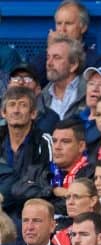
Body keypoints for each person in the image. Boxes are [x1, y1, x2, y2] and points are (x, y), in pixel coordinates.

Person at [0, 86, 53, 214]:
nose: (16, 110)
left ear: (33, 113)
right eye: (12, 105)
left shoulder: (44, 142)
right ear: (3, 113)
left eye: (22, 105)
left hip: (32, 210)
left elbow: (44, 183)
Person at [30, 0, 101, 88]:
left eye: (68, 24)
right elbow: (35, 83)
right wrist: (51, 50)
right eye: (59, 23)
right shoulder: (43, 57)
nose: (62, 29)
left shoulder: (95, 61)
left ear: (83, 27)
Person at [52, 178, 101, 245]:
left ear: (93, 200)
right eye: (68, 197)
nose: (70, 202)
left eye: (76, 197)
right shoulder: (59, 238)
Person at [41, 36, 86, 120]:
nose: (49, 63)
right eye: (48, 57)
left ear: (74, 65)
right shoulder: (42, 97)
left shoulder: (89, 93)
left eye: (56, 57)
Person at [7, 64, 59, 134]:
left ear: (38, 88)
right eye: (16, 79)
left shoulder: (51, 118)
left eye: (27, 79)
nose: (21, 82)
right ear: (8, 86)